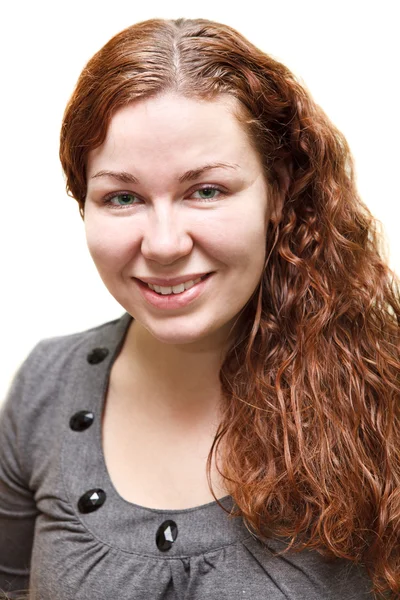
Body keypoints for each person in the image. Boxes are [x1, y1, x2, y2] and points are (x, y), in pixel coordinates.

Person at [0, 17, 399, 600]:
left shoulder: (386, 394)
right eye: (123, 197)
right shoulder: (44, 389)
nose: (163, 244)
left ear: (278, 189)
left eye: (206, 190)